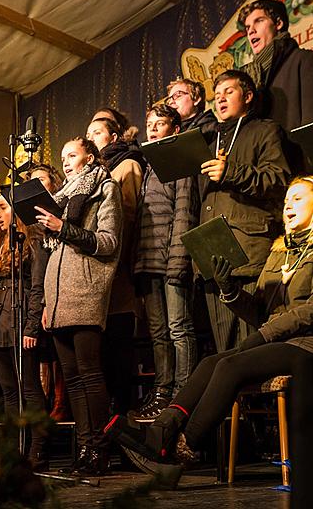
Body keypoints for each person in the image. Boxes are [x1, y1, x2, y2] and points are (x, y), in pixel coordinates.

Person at [108, 176, 313, 485]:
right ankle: (162, 428)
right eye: (286, 201)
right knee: (211, 361)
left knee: (230, 364)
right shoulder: (281, 250)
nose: (288, 206)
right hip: (282, 338)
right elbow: (260, 311)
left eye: (297, 199)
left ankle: (180, 450)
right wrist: (230, 290)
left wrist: (265, 334)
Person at [36, 137, 122, 476]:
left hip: (86, 289)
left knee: (89, 373)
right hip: (57, 298)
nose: (66, 161)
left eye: (72, 154)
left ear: (91, 156)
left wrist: (64, 228)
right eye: (63, 156)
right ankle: (85, 448)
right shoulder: (60, 199)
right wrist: (45, 303)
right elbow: (52, 255)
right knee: (71, 378)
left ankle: (99, 449)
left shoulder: (105, 188)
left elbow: (108, 242)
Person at [199, 70, 292, 352]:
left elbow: (279, 180)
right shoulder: (209, 141)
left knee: (251, 342)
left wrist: (231, 172)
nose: (221, 98)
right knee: (223, 347)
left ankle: (261, 398)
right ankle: (234, 398)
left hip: (249, 249)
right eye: (217, 94)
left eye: (229, 91)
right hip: (213, 251)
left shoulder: (265, 130)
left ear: (248, 96)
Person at [131, 104, 198, 421]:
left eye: (160, 123)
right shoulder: (147, 168)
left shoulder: (180, 165)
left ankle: (182, 394)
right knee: (158, 333)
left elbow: (184, 214)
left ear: (175, 128)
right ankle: (161, 391)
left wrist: (179, 262)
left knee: (178, 329)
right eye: (149, 124)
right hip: (148, 262)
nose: (153, 129)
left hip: (170, 262)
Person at [0, 194, 49, 470]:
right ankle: (15, 448)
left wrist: (32, 326)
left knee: (30, 388)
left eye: (3, 207)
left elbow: (37, 287)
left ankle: (38, 448)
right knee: (9, 391)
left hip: (20, 317)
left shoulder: (32, 242)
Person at [86, 117, 144, 415]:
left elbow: (130, 219)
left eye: (97, 132)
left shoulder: (127, 166)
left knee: (120, 354)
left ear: (113, 136)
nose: (91, 136)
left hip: (117, 272)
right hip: (95, 279)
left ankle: (125, 420)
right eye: (88, 133)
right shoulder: (92, 175)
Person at [238, 0, 313, 133]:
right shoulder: (253, 77)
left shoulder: (308, 61)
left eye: (259, 21)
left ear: (278, 23)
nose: (251, 31)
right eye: (247, 27)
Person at [27, 164, 68, 422]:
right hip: (39, 290)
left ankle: (61, 402)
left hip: (61, 288)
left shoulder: (60, 209)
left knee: (59, 350)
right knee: (44, 353)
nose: (38, 186)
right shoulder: (29, 223)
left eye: (42, 180)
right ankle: (49, 401)